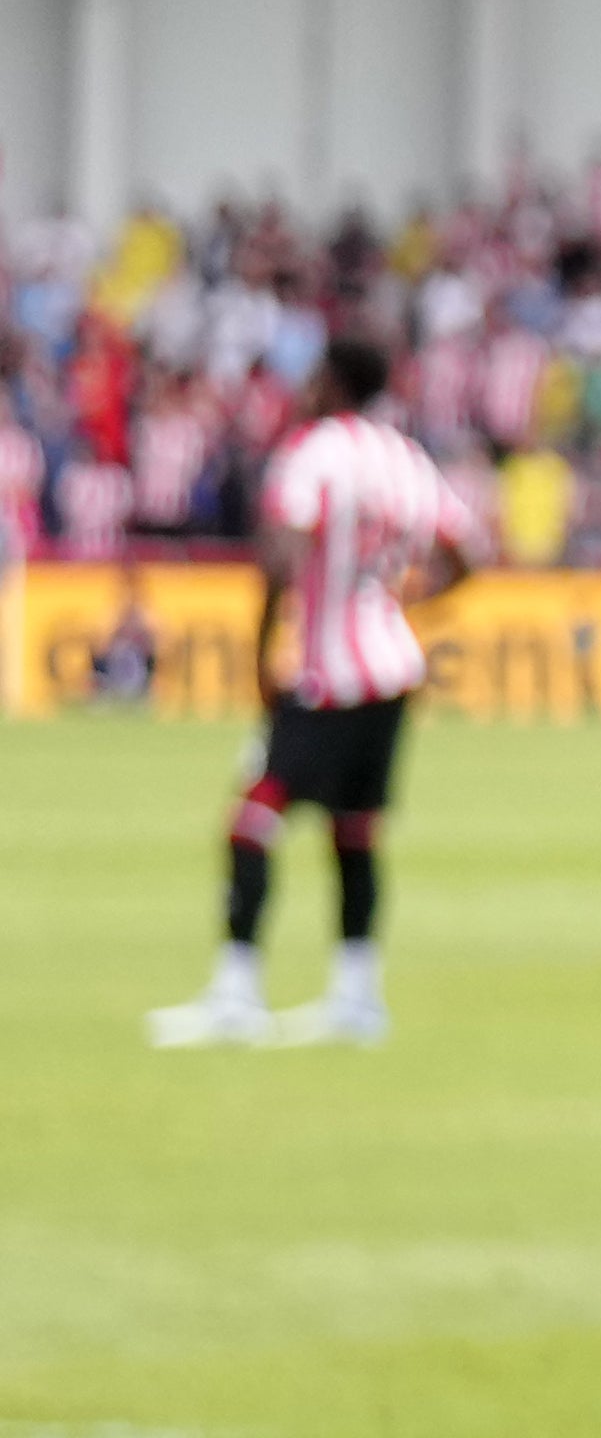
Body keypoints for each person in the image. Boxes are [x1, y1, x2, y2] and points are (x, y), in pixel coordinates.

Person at [149, 333, 479, 1049]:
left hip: (328, 672)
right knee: (355, 827)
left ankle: (237, 992)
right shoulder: (404, 456)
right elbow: (466, 554)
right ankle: (356, 997)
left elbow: (278, 559)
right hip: (393, 667)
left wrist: (264, 651)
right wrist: (398, 602)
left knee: (253, 817)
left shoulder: (314, 452)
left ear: (331, 381)